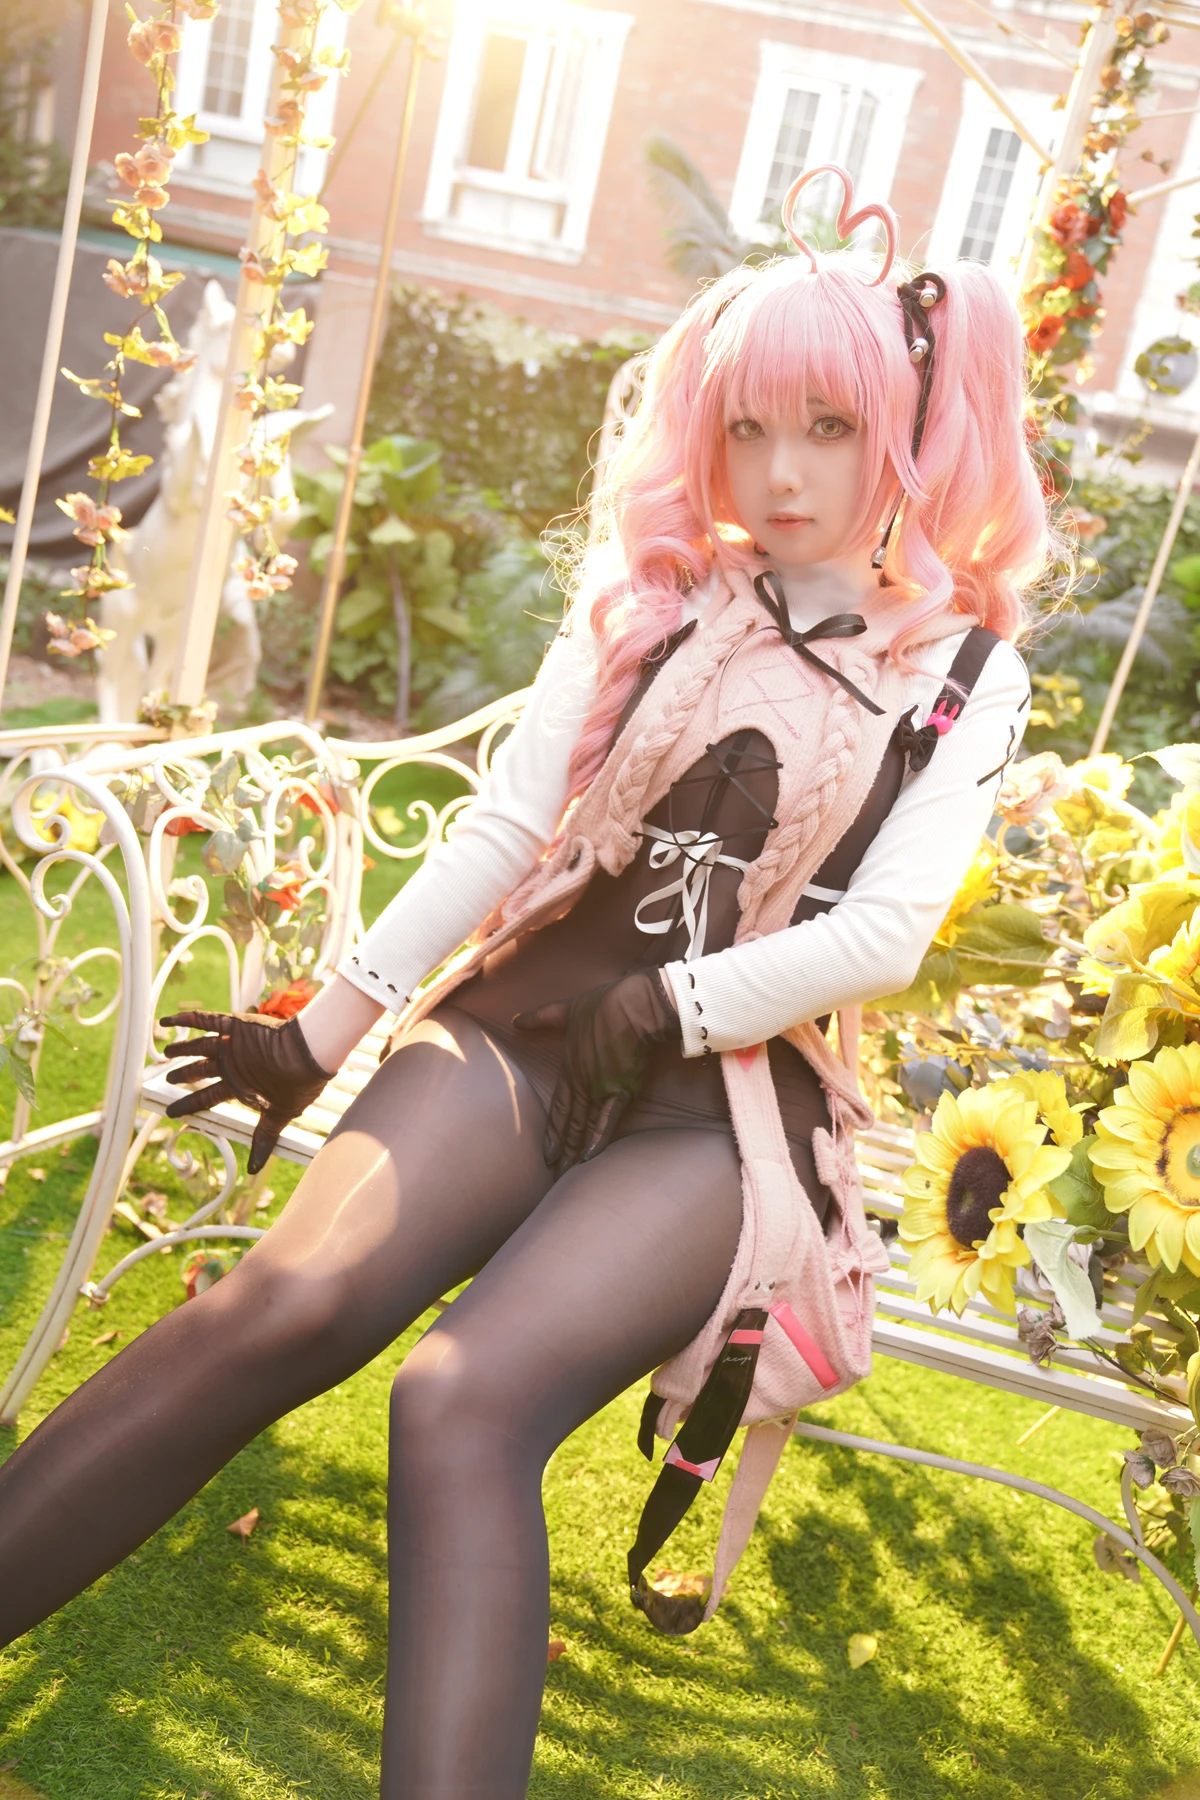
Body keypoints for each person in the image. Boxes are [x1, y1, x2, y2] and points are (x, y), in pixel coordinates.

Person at [0, 169, 1046, 1797]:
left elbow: (886, 937)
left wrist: (675, 1009)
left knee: (462, 1402)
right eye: (749, 428)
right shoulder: (659, 595)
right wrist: (321, 1032)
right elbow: (503, 827)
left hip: (714, 1116)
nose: (780, 474)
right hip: (521, 1036)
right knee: (281, 1306)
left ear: (907, 430)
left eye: (830, 430)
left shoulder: (965, 676)